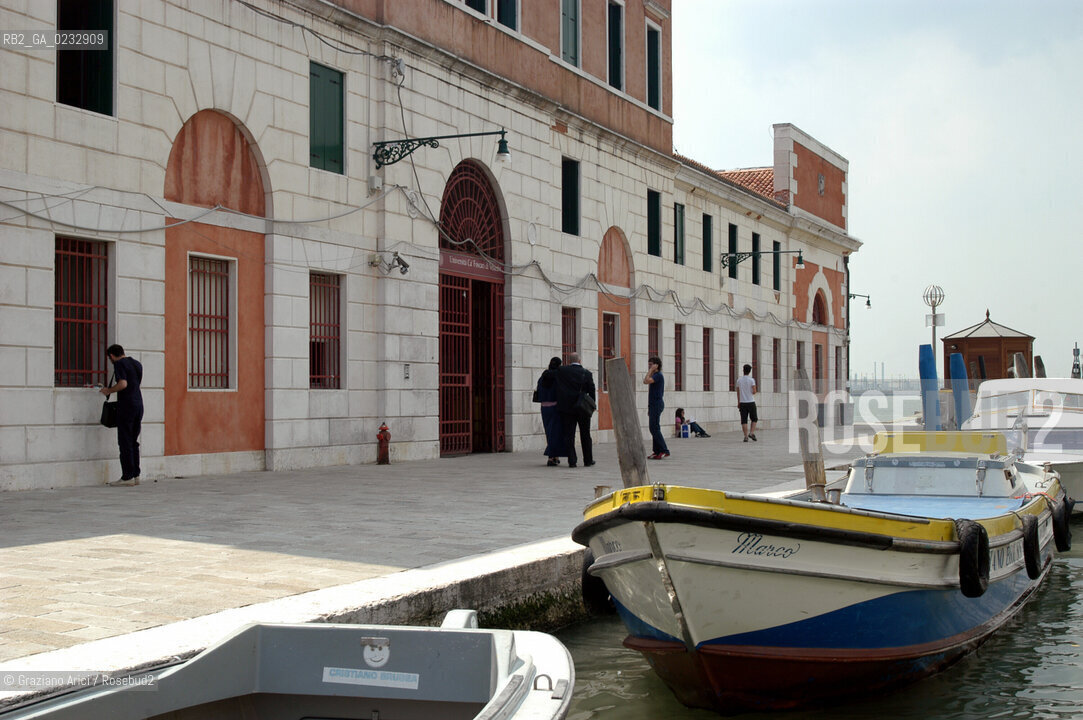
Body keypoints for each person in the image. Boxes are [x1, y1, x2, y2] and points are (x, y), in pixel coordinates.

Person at [99, 344, 144, 485]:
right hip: (138, 404)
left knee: (124, 441)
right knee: (133, 441)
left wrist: (109, 391)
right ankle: (136, 475)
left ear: (112, 356)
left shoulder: (119, 364)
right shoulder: (137, 364)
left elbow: (123, 384)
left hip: (127, 406)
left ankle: (127, 476)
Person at [555, 352, 596, 468]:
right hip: (582, 408)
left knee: (569, 435)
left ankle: (572, 461)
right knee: (585, 434)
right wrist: (592, 406)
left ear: (569, 360)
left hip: (567, 408)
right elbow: (591, 390)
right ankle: (588, 460)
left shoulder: (562, 371)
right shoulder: (586, 373)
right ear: (579, 361)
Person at [537, 357, 566, 466]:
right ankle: (551, 457)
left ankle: (554, 456)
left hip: (544, 408)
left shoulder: (542, 377)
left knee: (549, 432)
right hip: (555, 408)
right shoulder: (558, 377)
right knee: (555, 433)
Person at [643, 356, 669, 459]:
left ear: (656, 365)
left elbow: (646, 381)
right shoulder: (655, 375)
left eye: (651, 364)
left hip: (657, 404)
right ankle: (656, 451)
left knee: (654, 428)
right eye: (649, 364)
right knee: (654, 428)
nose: (649, 366)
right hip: (653, 405)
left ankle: (664, 450)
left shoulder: (658, 375)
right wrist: (649, 408)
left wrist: (651, 370)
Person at [736, 363, 758, 442]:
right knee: (754, 418)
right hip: (751, 402)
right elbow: (754, 391)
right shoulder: (752, 380)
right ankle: (751, 433)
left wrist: (738, 402)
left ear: (743, 370)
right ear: (750, 371)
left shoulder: (739, 380)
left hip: (742, 402)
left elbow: (738, 393)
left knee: (744, 420)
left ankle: (745, 436)